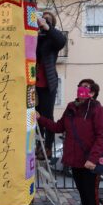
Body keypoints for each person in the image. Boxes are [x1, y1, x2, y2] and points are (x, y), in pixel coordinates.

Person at [36, 79, 103, 205]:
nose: (81, 89)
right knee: (82, 192)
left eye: (86, 87)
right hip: (75, 161)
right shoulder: (70, 107)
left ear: (92, 93)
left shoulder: (97, 110)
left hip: (90, 162)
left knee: (92, 195)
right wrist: (41, 118)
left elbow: (101, 136)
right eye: (80, 86)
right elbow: (58, 127)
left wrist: (92, 159)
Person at [36, 11, 67, 159]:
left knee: (47, 115)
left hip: (48, 83)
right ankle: (38, 143)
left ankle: (48, 147)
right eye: (42, 18)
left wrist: (47, 27)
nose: (43, 21)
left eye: (47, 19)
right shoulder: (36, 36)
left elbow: (61, 40)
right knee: (35, 115)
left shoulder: (53, 38)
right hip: (33, 84)